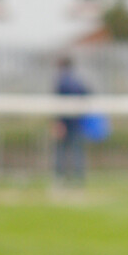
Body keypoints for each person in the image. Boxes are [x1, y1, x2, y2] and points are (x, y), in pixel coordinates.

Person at [53, 56, 88, 185]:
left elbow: (57, 102)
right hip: (77, 121)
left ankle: (60, 177)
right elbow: (87, 94)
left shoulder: (61, 81)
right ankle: (79, 178)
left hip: (65, 122)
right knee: (77, 151)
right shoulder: (78, 80)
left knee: (61, 152)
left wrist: (58, 122)